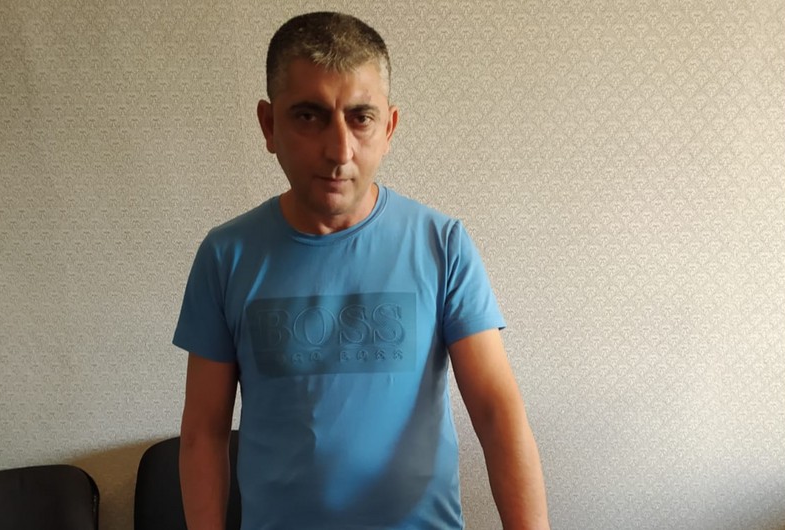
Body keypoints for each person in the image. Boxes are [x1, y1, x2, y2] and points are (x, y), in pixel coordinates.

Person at [173, 11, 550, 530]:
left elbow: (496, 412)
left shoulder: (441, 245)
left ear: (388, 127)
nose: (339, 150)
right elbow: (203, 434)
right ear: (269, 125)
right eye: (309, 116)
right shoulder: (226, 256)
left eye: (360, 117)